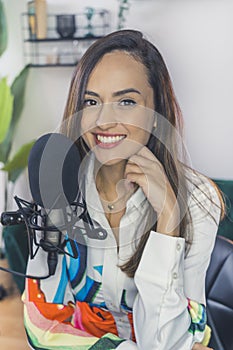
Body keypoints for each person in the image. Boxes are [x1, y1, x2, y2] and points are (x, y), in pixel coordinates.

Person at [23, 30, 224, 350]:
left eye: (126, 101)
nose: (104, 120)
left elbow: (168, 343)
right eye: (91, 101)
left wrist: (169, 218)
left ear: (158, 113)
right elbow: (40, 325)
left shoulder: (198, 199)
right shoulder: (58, 180)